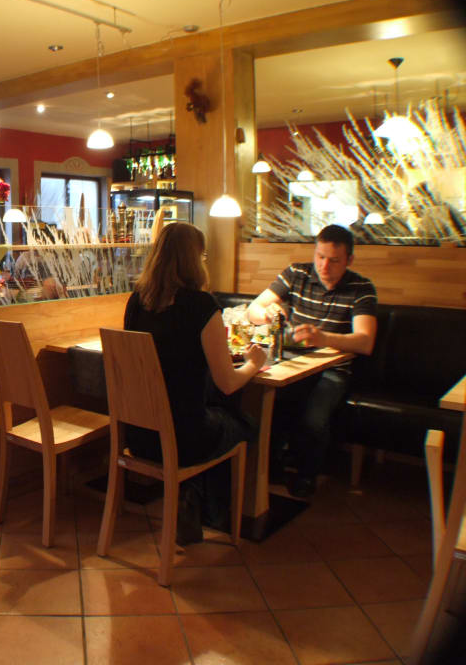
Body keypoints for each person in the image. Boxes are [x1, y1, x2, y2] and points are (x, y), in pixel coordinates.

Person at [124, 223, 266, 544]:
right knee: (244, 424)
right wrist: (254, 364)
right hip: (183, 441)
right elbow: (228, 383)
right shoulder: (201, 306)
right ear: (194, 260)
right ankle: (213, 511)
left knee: (211, 414)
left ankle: (192, 496)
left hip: (139, 436)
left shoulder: (136, 301)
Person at [246, 224, 376, 498]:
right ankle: (269, 468)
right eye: (320, 256)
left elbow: (365, 341)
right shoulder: (297, 273)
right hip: (290, 362)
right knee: (264, 405)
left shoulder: (361, 288)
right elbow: (253, 309)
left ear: (349, 260)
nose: (324, 266)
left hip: (332, 369)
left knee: (313, 419)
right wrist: (268, 314)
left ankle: (307, 475)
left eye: (334, 260)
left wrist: (323, 338)